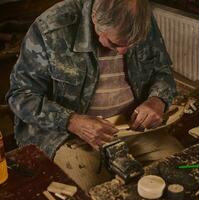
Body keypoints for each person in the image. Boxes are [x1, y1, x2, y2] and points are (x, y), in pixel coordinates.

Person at [6, 0, 183, 191]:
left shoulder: (140, 20)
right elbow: (20, 96)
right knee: (97, 189)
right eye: (115, 43)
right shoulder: (51, 28)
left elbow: (162, 71)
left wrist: (158, 99)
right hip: (68, 135)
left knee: (178, 167)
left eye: (133, 44)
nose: (123, 51)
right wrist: (71, 120)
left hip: (131, 128)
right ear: (95, 18)